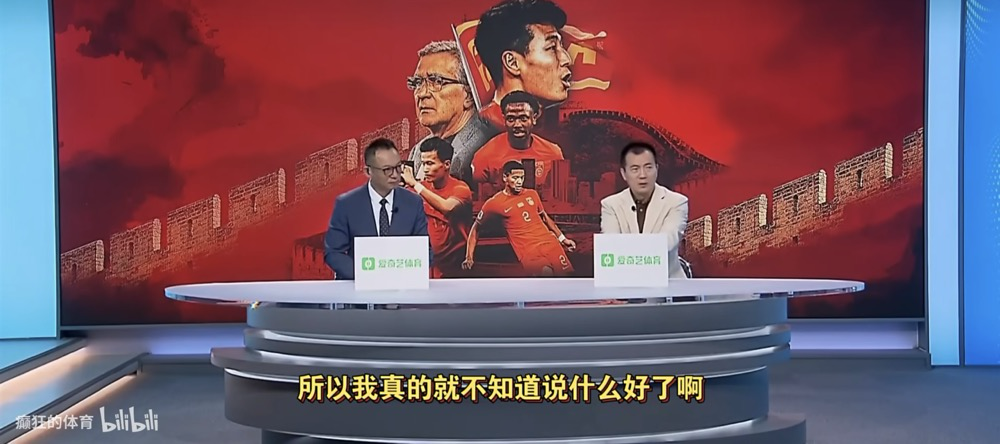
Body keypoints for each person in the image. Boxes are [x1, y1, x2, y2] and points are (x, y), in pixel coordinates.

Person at [323, 138, 430, 280]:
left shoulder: (413, 203)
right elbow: (333, 252)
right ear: (369, 171)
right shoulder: (347, 204)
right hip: (359, 287)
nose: (395, 174)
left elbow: (425, 251)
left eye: (398, 167)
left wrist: (401, 273)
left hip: (401, 287)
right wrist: (366, 276)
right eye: (387, 169)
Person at [406, 41, 497, 187]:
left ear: (468, 96)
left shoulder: (482, 147)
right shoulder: (417, 151)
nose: (422, 94)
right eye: (417, 83)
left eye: (437, 81)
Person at [463, 160, 576, 276]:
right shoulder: (495, 203)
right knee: (546, 277)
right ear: (505, 177)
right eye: (515, 178)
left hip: (550, 244)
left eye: (522, 178)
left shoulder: (532, 194)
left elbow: (545, 218)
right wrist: (469, 257)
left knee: (567, 279)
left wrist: (563, 239)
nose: (519, 182)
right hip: (529, 252)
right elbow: (476, 228)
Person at [474, 0, 573, 131]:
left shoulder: (546, 132)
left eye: (561, 47)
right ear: (512, 63)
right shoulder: (480, 134)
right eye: (551, 47)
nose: (567, 59)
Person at [600, 142, 689, 279]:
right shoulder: (610, 205)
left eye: (648, 167)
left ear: (656, 169)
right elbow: (611, 245)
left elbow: (666, 243)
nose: (642, 175)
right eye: (635, 169)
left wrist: (624, 249)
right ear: (624, 173)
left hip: (669, 285)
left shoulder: (677, 202)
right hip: (626, 283)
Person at [402, 137, 474, 278]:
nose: (425, 169)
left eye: (430, 163)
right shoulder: (418, 189)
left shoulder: (460, 189)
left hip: (454, 269)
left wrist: (415, 184)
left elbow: (447, 208)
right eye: (423, 164)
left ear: (446, 164)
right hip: (425, 267)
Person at [471, 91, 565, 186]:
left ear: (534, 118)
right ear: (504, 119)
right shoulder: (484, 157)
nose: (517, 125)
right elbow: (478, 193)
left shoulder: (554, 154)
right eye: (511, 119)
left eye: (523, 118)